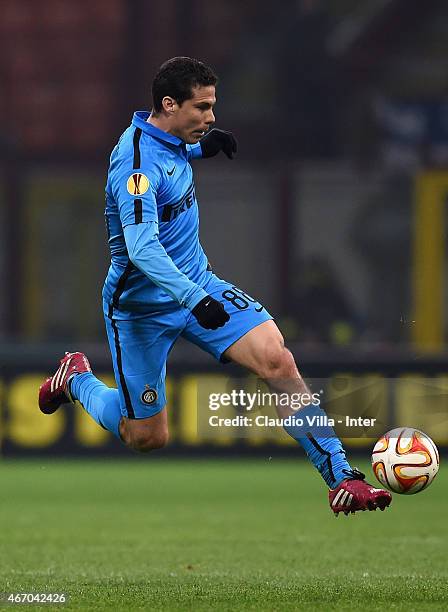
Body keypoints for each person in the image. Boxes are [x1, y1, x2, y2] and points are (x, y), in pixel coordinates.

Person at [38, 57, 391, 516]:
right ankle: (77, 379)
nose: (211, 117)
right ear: (169, 104)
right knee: (146, 436)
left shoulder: (170, 138)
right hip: (140, 308)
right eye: (202, 108)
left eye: (212, 107)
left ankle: (342, 477)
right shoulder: (135, 167)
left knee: (277, 359)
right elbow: (142, 250)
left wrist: (202, 147)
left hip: (198, 282)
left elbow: (174, 152)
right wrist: (193, 298)